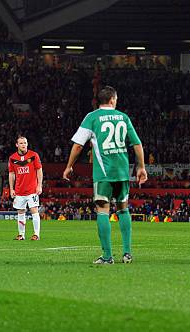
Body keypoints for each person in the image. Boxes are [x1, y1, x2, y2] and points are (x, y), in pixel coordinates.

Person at [64, 86, 147, 264]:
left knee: (103, 210)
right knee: (123, 209)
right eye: (116, 99)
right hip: (123, 173)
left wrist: (69, 166)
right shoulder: (123, 117)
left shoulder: (92, 117)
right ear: (112, 100)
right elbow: (137, 144)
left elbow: (78, 145)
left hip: (103, 174)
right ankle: (127, 253)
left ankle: (108, 256)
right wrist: (141, 167)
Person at [8, 136, 43, 241]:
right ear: (17, 145)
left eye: (25, 143)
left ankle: (36, 234)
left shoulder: (33, 155)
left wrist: (39, 185)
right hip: (19, 191)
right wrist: (11, 189)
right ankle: (21, 234)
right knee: (20, 212)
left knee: (34, 210)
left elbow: (39, 170)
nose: (24, 145)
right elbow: (11, 174)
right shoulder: (12, 158)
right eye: (21, 143)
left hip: (32, 189)